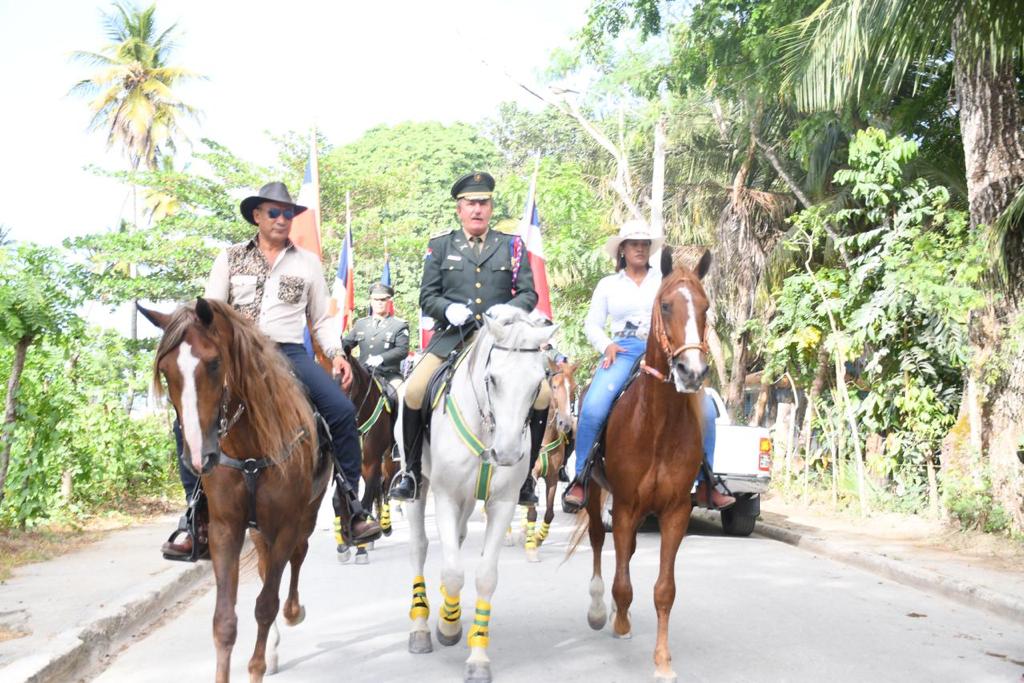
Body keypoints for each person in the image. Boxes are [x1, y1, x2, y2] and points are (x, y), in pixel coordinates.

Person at [161, 182, 381, 559]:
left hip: (288, 354)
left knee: (342, 413)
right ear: (257, 216)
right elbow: (207, 314)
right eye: (274, 213)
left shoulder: (307, 263)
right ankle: (195, 515)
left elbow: (320, 318)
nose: (282, 220)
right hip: (236, 359)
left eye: (288, 214)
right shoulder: (229, 258)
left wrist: (337, 352)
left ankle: (350, 504)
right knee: (186, 422)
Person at [388, 171, 549, 505]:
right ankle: (412, 471)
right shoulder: (440, 245)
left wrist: (505, 310)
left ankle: (525, 479)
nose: (477, 209)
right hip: (453, 337)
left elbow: (529, 294)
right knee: (414, 390)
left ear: (491, 208)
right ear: (459, 209)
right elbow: (427, 295)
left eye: (483, 203)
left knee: (544, 395)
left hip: (502, 340)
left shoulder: (512, 245)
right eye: (471, 203)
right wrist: (447, 310)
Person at [563, 221, 734, 509]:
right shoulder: (608, 284)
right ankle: (581, 477)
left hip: (664, 353)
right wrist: (607, 345)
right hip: (623, 350)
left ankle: (708, 482)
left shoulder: (663, 281)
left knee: (704, 411)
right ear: (623, 250)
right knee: (593, 406)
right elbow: (592, 324)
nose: (640, 249)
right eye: (633, 244)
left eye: (644, 244)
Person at [343, 282, 409, 387]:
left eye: (383, 300)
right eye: (375, 299)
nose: (379, 303)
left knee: (402, 395)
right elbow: (346, 344)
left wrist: (381, 358)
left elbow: (402, 350)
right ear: (371, 301)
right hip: (363, 375)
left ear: (389, 301)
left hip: (388, 376)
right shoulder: (361, 323)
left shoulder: (399, 325)